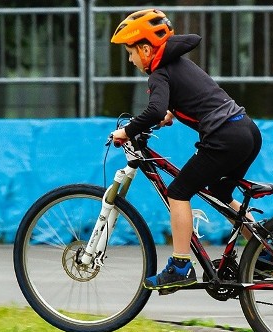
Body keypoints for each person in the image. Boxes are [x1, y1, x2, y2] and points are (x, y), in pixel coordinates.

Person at [110, 8, 263, 292]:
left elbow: (155, 109)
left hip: (224, 137)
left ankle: (180, 267)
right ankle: (263, 251)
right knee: (219, 193)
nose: (130, 59)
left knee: (178, 191)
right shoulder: (178, 64)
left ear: (145, 48)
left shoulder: (158, 74)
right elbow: (188, 97)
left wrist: (127, 131)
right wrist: (171, 114)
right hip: (247, 131)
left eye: (130, 52)